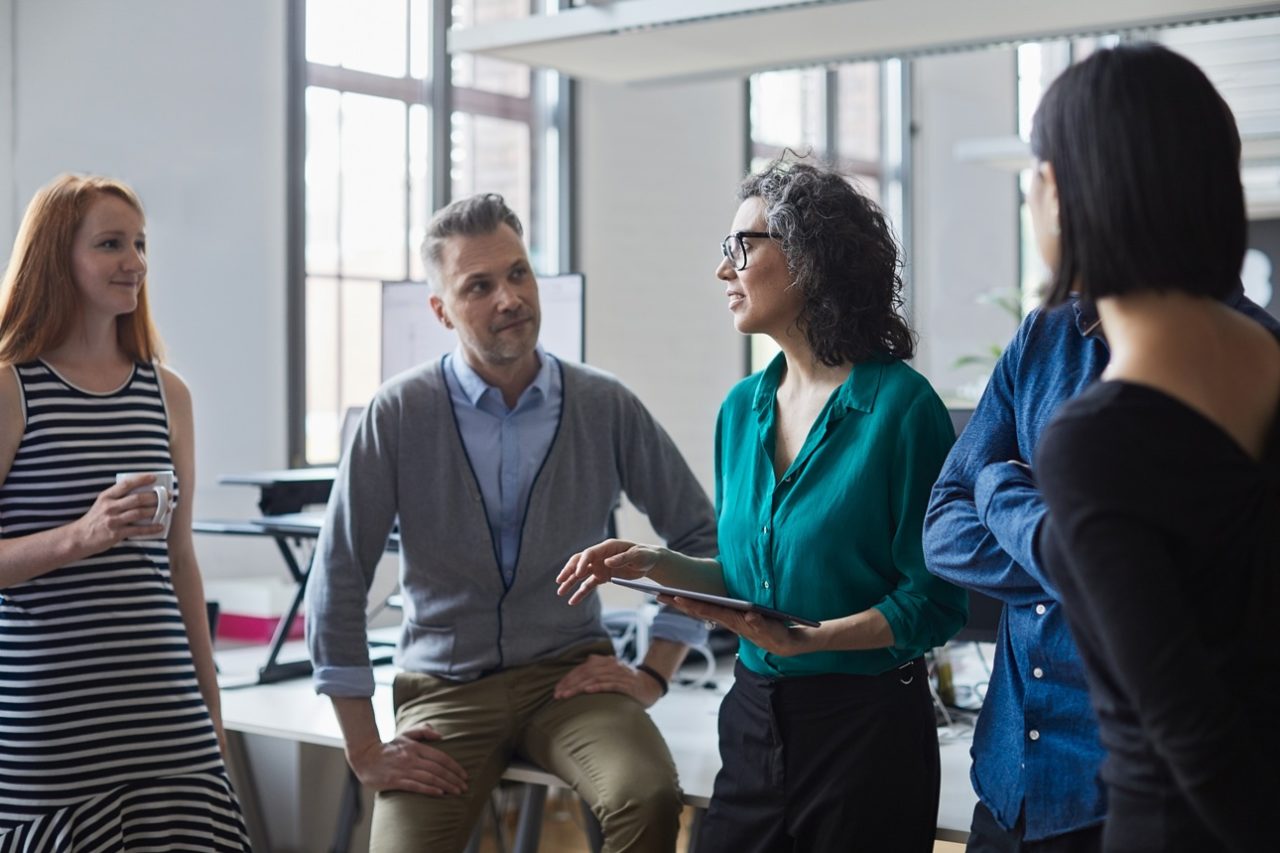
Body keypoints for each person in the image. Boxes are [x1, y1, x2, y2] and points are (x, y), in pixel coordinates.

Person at [924, 43, 1280, 853]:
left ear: (1062, 190)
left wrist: (1002, 492)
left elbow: (1192, 735)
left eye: (1035, 171)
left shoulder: (1102, 436)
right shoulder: (1254, 364)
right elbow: (939, 528)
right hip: (1016, 783)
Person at [558, 159, 967, 852]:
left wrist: (813, 639)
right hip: (753, 719)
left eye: (742, 247)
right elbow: (750, 584)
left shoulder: (902, 408)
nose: (725, 271)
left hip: (865, 731)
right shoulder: (739, 411)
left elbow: (933, 603)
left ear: (809, 259)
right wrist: (654, 563)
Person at [305, 192, 718, 853]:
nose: (509, 298)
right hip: (445, 689)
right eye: (480, 285)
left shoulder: (603, 403)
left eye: (519, 273)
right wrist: (364, 746)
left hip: (571, 680)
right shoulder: (399, 412)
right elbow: (339, 574)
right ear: (441, 309)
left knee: (647, 798)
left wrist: (655, 668)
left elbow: (700, 536)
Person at [0, 174, 249, 849]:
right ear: (58, 257)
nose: (134, 261)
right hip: (51, 726)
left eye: (139, 243)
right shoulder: (11, 387)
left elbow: (181, 563)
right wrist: (79, 536)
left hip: (168, 718)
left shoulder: (168, 394)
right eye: (110, 243)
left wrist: (212, 711)